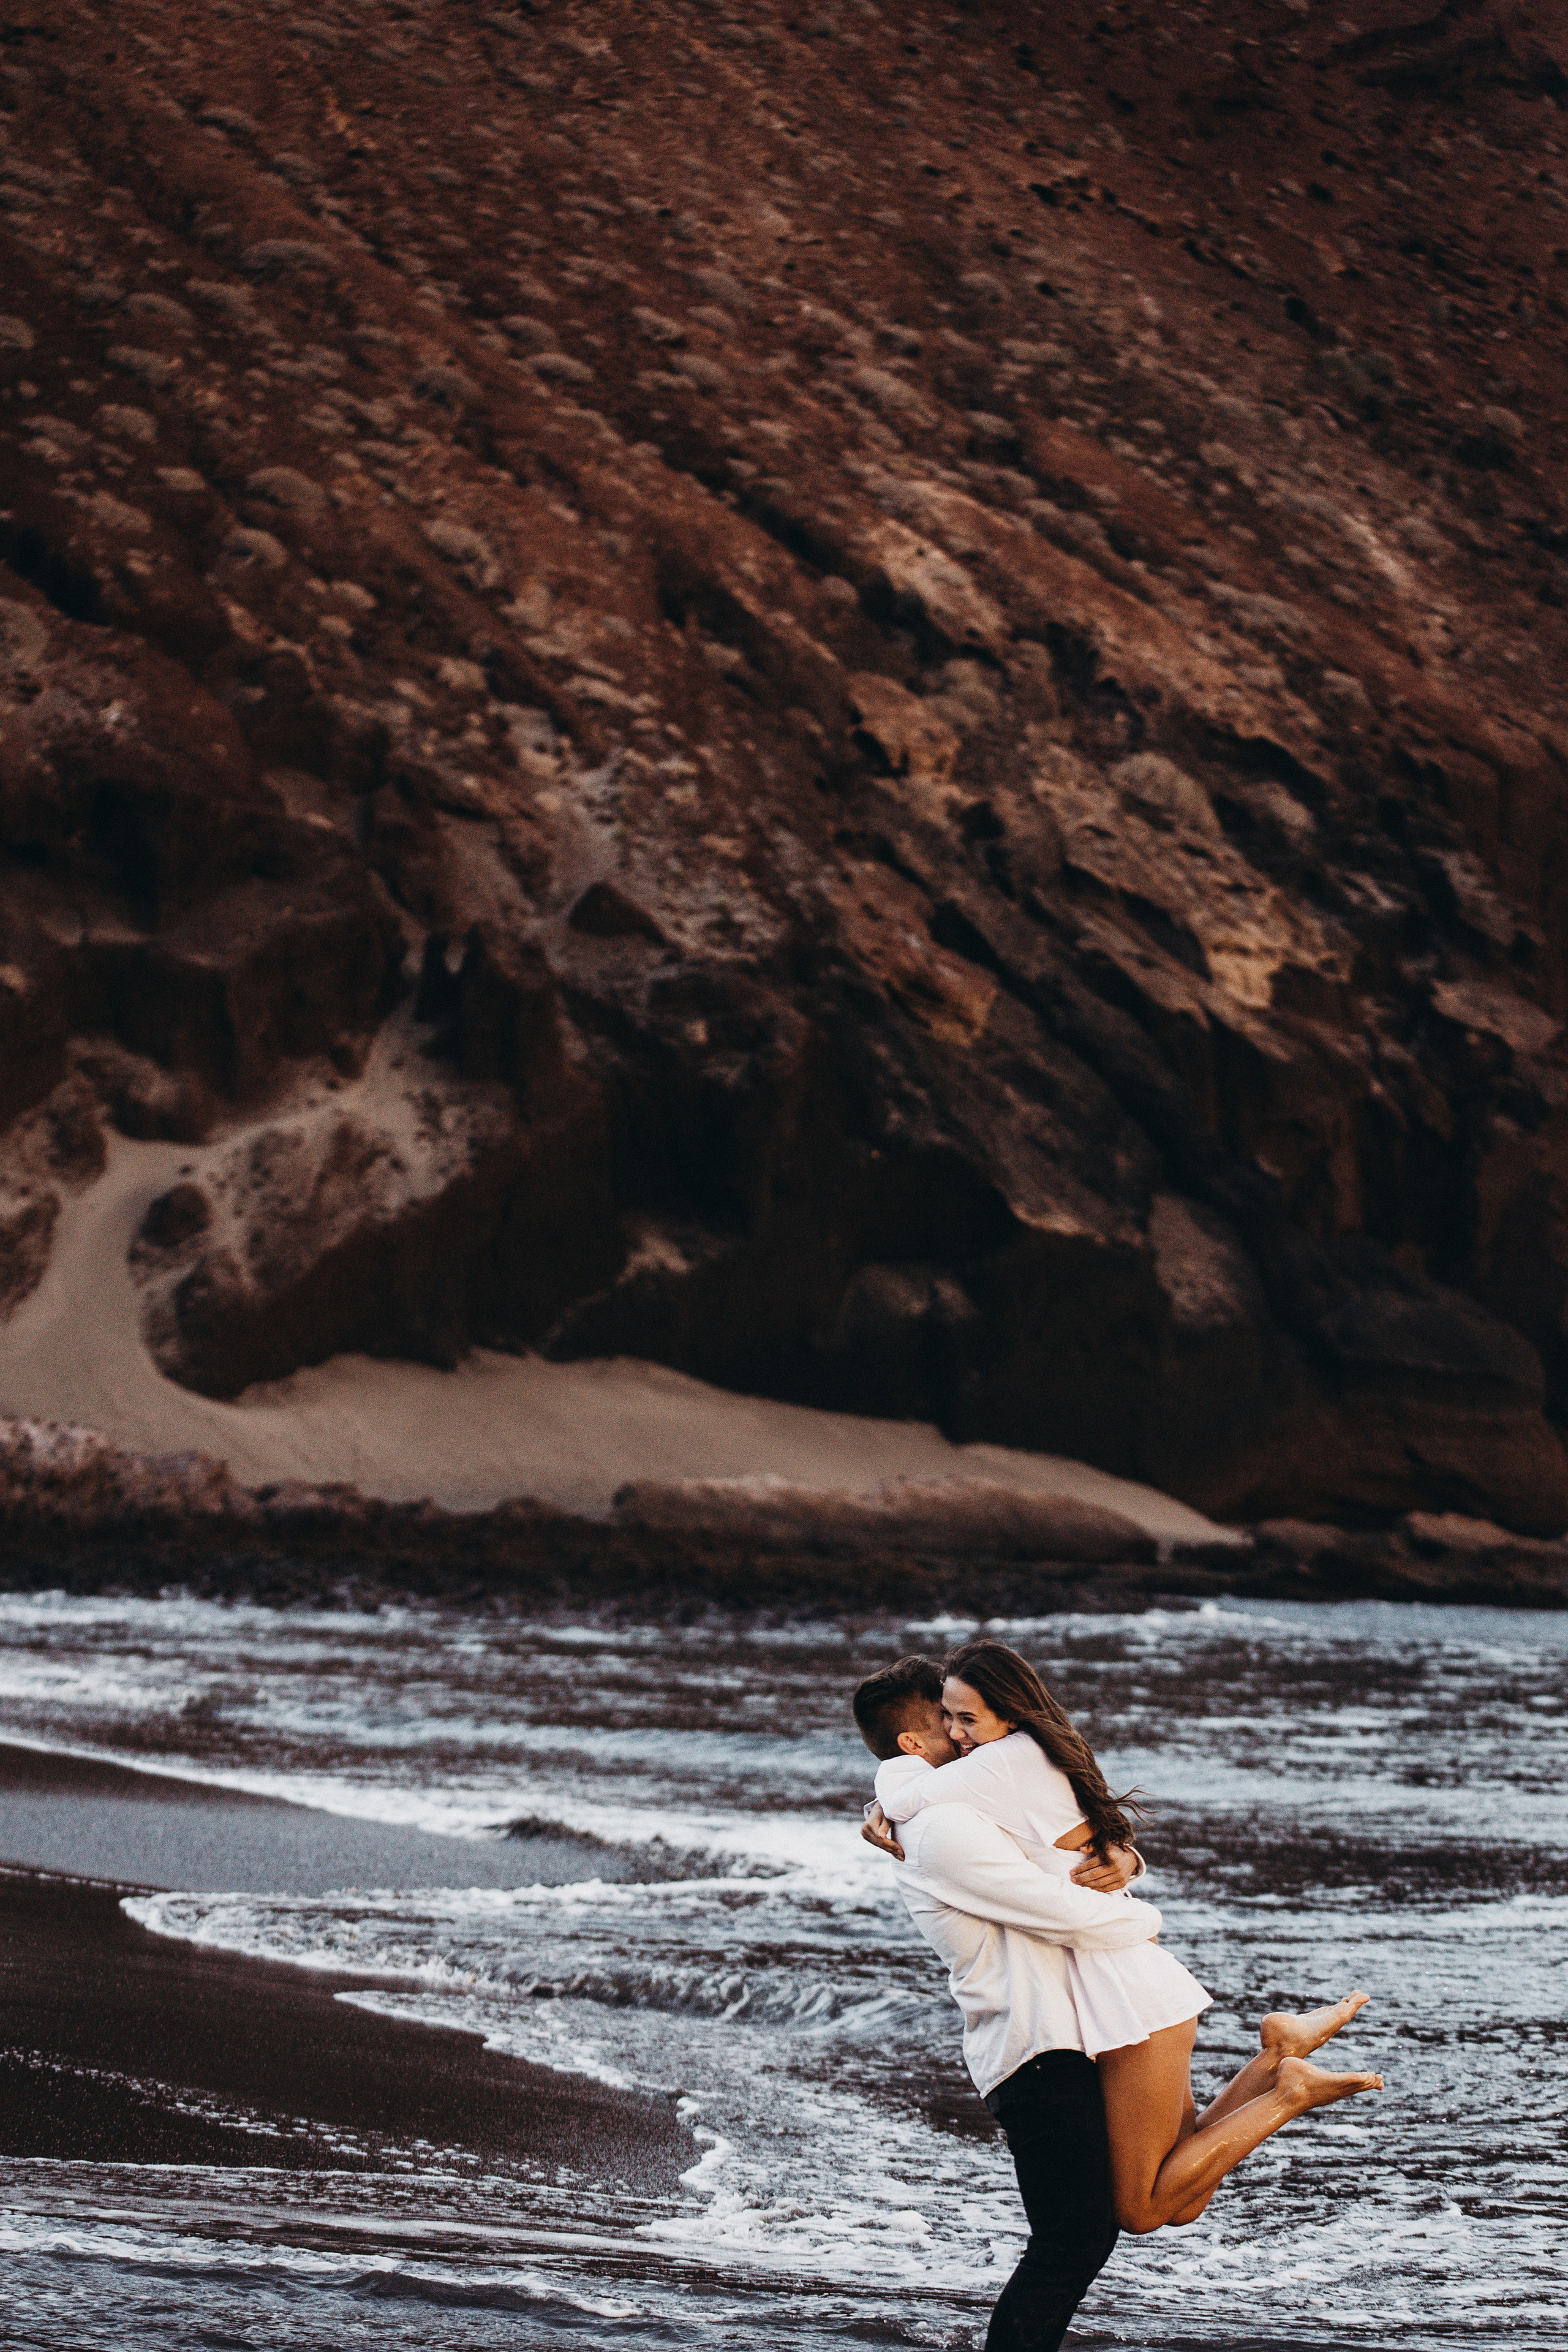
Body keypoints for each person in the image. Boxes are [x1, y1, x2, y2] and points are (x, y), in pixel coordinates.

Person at [852, 1649, 1383, 2352]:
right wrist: (1140, 1906)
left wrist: (1129, 1870)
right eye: (947, 1723)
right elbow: (1059, 1878)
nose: (963, 1736)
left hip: (1087, 2015)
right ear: (914, 1743)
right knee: (1149, 2206)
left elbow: (1068, 1855)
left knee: (1110, 2221)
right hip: (1052, 2031)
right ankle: (1278, 2070)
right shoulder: (946, 1817)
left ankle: (1284, 2080)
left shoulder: (969, 1790)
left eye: (966, 1719)